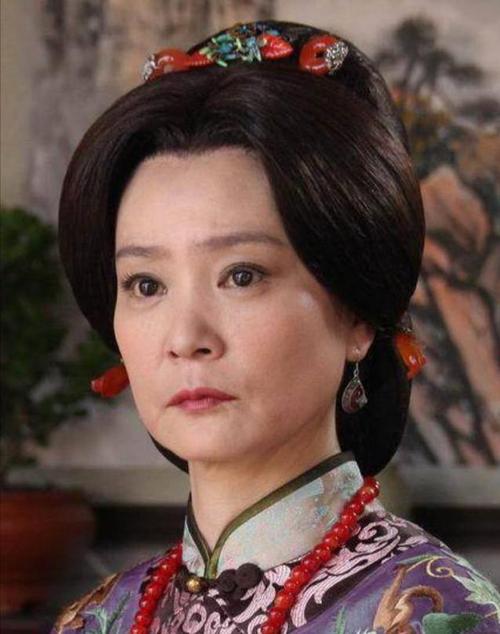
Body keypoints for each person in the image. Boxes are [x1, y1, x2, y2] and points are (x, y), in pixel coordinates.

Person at [51, 19, 500, 634]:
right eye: (147, 285)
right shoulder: (100, 619)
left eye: (242, 275)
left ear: (357, 315)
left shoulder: (426, 611)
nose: (185, 338)